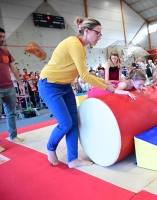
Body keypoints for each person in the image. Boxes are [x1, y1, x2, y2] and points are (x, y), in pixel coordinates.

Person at [37, 17, 115, 168]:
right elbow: (84, 76)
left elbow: (84, 73)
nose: (99, 37)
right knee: (65, 123)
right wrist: (108, 88)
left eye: (100, 35)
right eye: (98, 33)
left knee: (73, 123)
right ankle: (50, 147)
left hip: (65, 86)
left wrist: (104, 81)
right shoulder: (74, 44)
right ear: (86, 31)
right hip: (49, 85)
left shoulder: (81, 47)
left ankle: (73, 159)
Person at [0, 27, 25, 153]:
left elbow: (13, 69)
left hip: (9, 87)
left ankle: (13, 135)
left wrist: (20, 84)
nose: (2, 39)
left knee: (11, 113)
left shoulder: (6, 52)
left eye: (3, 36)